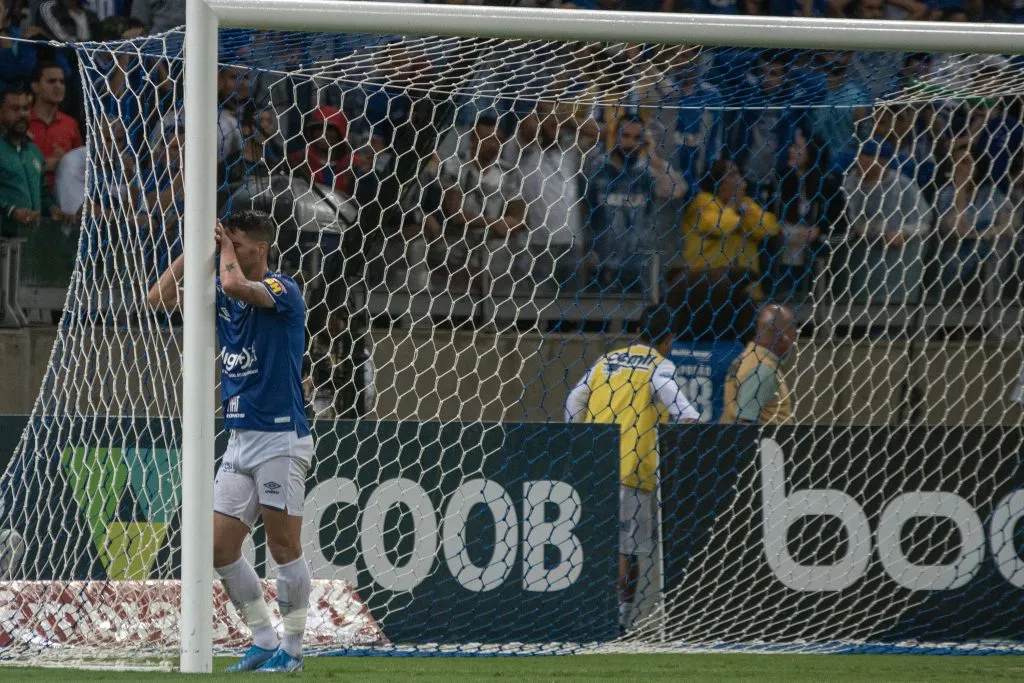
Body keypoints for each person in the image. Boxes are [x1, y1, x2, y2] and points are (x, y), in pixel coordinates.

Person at [146, 209, 312, 673]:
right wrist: (199, 249)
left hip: (281, 436)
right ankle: (262, 637)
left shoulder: (283, 290)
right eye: (226, 245)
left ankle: (294, 651)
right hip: (240, 439)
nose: (228, 253)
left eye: (234, 246)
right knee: (217, 549)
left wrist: (221, 253)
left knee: (283, 548)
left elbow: (240, 285)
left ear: (259, 249)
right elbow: (157, 297)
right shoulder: (221, 289)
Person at [564, 307, 698, 633]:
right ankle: (619, 621)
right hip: (633, 467)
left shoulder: (606, 360)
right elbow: (687, 413)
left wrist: (579, 439)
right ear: (669, 340)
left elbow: (573, 400)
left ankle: (588, 615)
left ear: (638, 329)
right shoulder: (659, 366)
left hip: (595, 466)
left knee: (595, 544)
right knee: (627, 549)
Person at [0, 87, 64, 236]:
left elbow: (42, 194)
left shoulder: (34, 152)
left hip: (30, 241)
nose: (22, 114)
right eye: (14, 109)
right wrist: (12, 212)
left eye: (25, 108)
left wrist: (52, 209)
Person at [721, 303, 797, 424]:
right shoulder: (763, 369)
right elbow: (744, 422)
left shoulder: (748, 357)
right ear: (784, 337)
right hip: (767, 441)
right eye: (794, 334)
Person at [29, 61, 83, 189]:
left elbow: (79, 164)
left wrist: (63, 162)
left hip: (64, 197)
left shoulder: (70, 123)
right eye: (51, 81)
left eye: (62, 81)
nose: (58, 86)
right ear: (35, 86)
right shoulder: (22, 122)